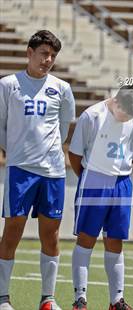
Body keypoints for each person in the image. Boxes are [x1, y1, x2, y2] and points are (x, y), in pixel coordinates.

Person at [0, 30, 75, 310]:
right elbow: (1, 125)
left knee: (51, 234)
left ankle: (48, 298)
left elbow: (65, 124)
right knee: (12, 232)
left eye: (53, 55)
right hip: (20, 170)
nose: (48, 59)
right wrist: (15, 151)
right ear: (29, 53)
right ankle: (3, 297)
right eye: (44, 53)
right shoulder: (8, 85)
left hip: (53, 171)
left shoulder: (62, 88)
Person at [68, 85, 133, 310]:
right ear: (117, 102)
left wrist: (120, 178)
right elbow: (75, 154)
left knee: (115, 240)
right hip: (93, 180)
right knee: (86, 238)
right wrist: (90, 179)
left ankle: (116, 300)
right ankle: (80, 299)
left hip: (122, 182)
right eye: (126, 113)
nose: (129, 119)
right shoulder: (92, 116)